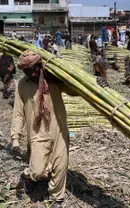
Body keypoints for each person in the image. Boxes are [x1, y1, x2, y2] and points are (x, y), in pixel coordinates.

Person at [11, 50, 78, 207]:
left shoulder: (53, 79)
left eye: (33, 70)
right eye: (26, 72)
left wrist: (97, 81)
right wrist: (15, 139)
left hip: (59, 129)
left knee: (61, 167)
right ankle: (28, 177)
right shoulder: (22, 85)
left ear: (39, 66)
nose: (31, 74)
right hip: (37, 132)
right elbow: (18, 113)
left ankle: (57, 198)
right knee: (38, 170)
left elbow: (75, 91)